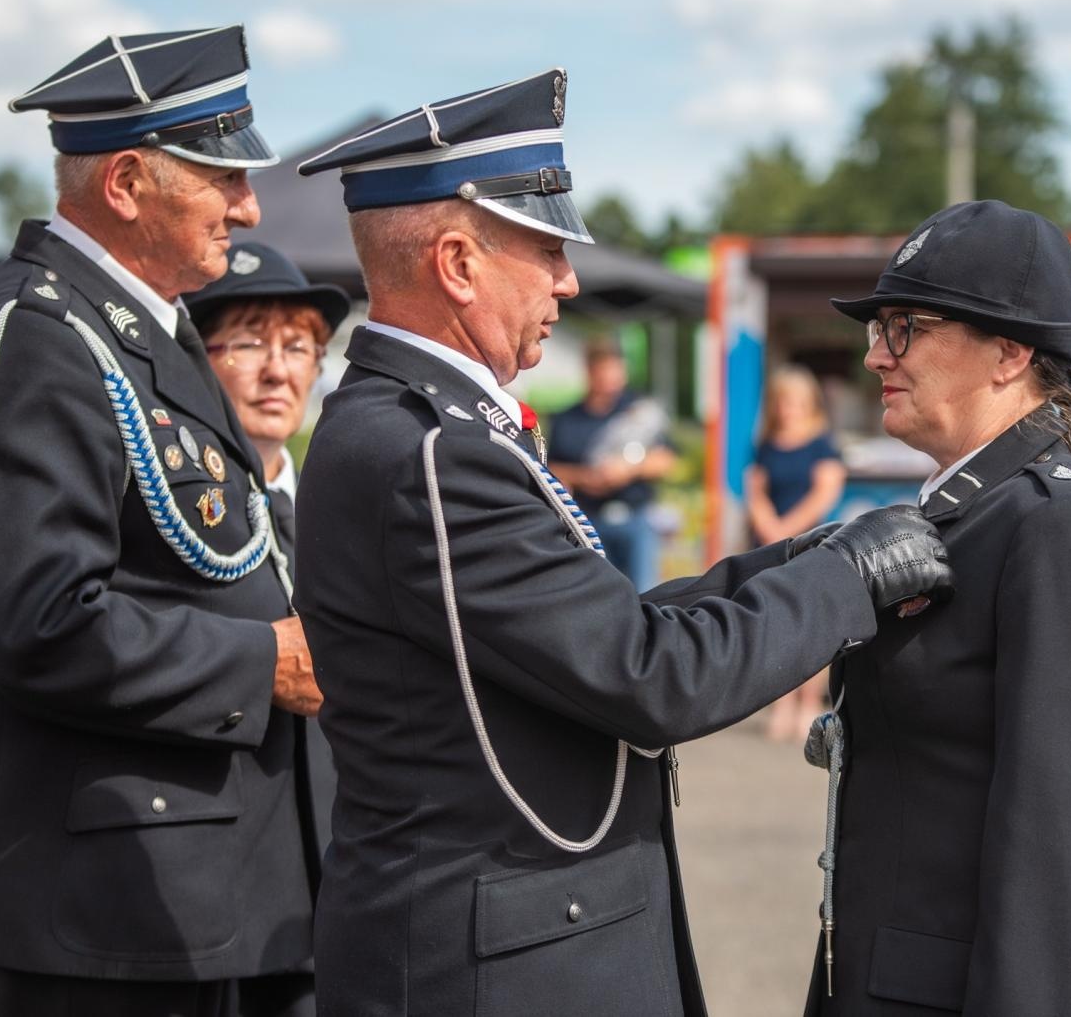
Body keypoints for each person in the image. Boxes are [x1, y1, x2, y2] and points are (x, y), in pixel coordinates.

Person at [291, 68, 952, 1017]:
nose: (566, 278)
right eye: (545, 248)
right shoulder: (436, 450)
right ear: (457, 264)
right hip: (496, 963)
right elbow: (651, 677)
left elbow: (601, 624)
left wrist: (805, 553)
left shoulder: (424, 430)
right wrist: (848, 578)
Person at [0, 27, 332, 1016]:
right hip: (108, 902)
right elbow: (38, 619)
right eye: (223, 176)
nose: (250, 205)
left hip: (197, 884)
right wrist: (262, 662)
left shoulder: (132, 329)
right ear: (129, 183)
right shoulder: (35, 336)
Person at [812, 200, 1071, 1015]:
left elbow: (1065, 853)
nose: (875, 356)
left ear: (1008, 353)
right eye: (877, 328)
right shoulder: (972, 510)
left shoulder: (1057, 526)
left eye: (905, 328)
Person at [183, 240, 351, 572]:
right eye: (249, 344)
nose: (277, 371)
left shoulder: (341, 514)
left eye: (296, 348)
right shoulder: (175, 509)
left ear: (317, 366)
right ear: (197, 360)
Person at [746, 365, 847, 740]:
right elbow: (754, 490)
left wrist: (787, 528)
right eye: (782, 401)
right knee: (775, 625)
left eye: (795, 401)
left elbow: (825, 492)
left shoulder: (822, 442)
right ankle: (782, 702)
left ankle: (809, 704)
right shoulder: (766, 443)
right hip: (771, 546)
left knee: (814, 625)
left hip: (811, 543)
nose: (788, 408)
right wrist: (768, 526)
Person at [547, 336, 676, 590]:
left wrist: (628, 469)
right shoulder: (567, 418)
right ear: (589, 371)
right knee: (597, 595)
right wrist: (587, 477)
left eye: (614, 368)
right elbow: (549, 469)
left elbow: (666, 460)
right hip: (588, 521)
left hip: (636, 519)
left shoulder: (639, 413)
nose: (609, 377)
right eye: (602, 369)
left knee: (645, 597)